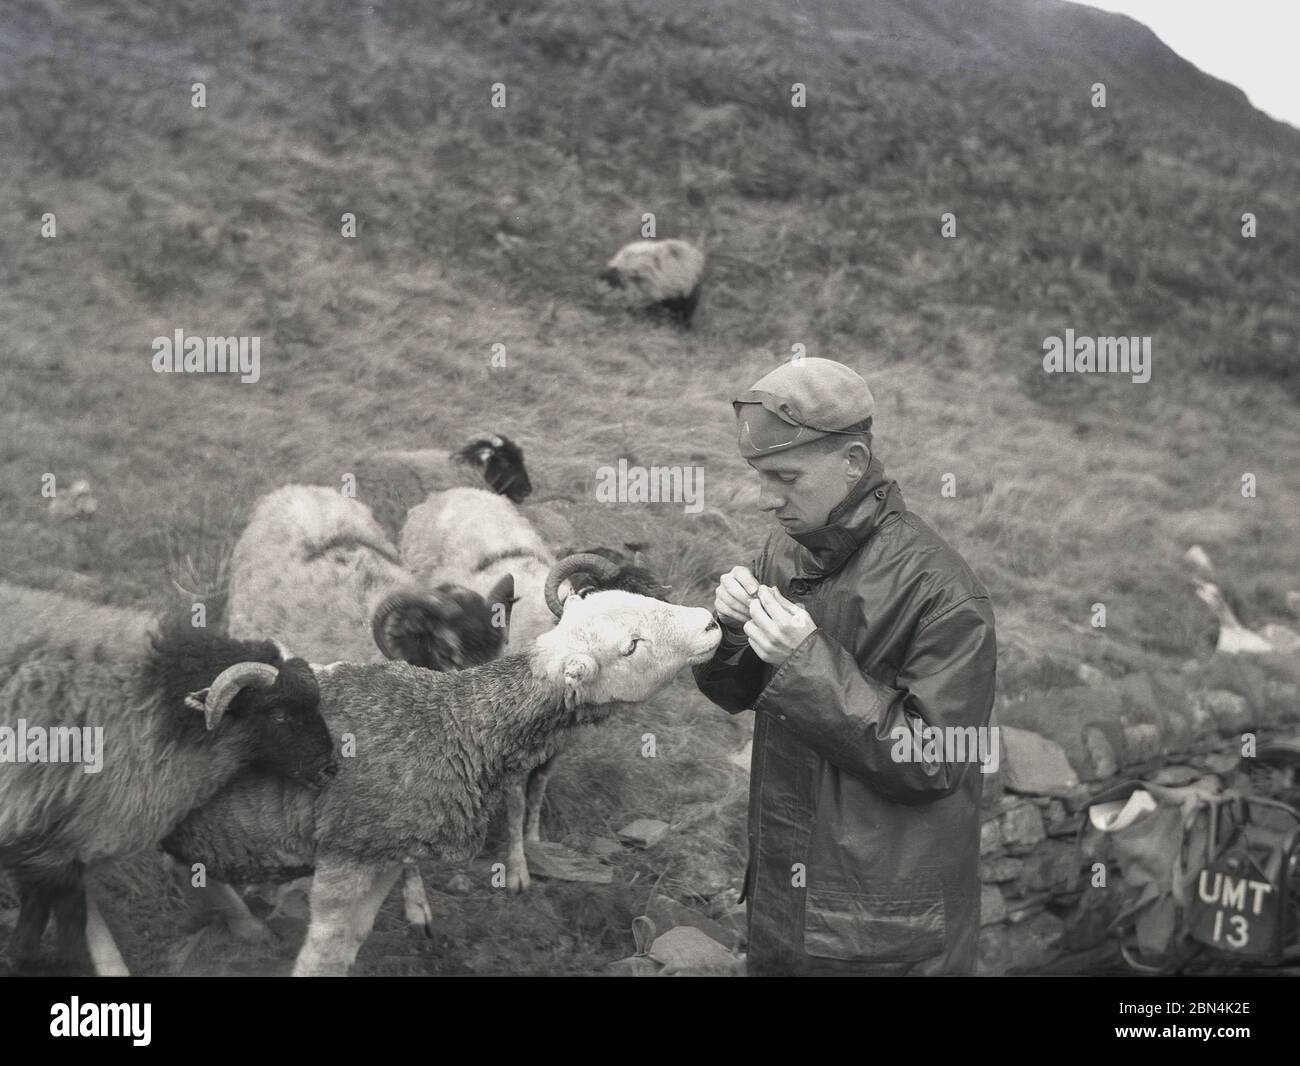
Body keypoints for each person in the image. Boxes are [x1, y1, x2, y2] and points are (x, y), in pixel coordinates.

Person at [694, 358, 997, 975]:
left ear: (853, 462)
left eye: (784, 476)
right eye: (759, 476)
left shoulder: (946, 593)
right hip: (784, 904)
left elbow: (936, 759)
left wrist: (804, 662)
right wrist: (729, 629)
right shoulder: (785, 547)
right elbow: (735, 692)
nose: (764, 499)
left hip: (884, 938)